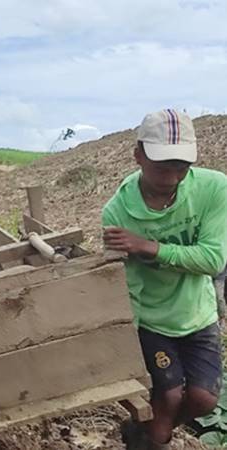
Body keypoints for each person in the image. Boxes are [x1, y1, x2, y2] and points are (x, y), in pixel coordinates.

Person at [102, 110, 227, 450]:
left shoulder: (213, 188)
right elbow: (118, 276)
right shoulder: (118, 211)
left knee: (204, 399)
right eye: (162, 167)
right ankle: (152, 438)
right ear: (138, 154)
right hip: (153, 320)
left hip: (197, 315)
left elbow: (213, 259)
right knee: (169, 396)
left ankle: (145, 433)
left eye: (181, 167)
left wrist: (148, 247)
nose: (172, 177)